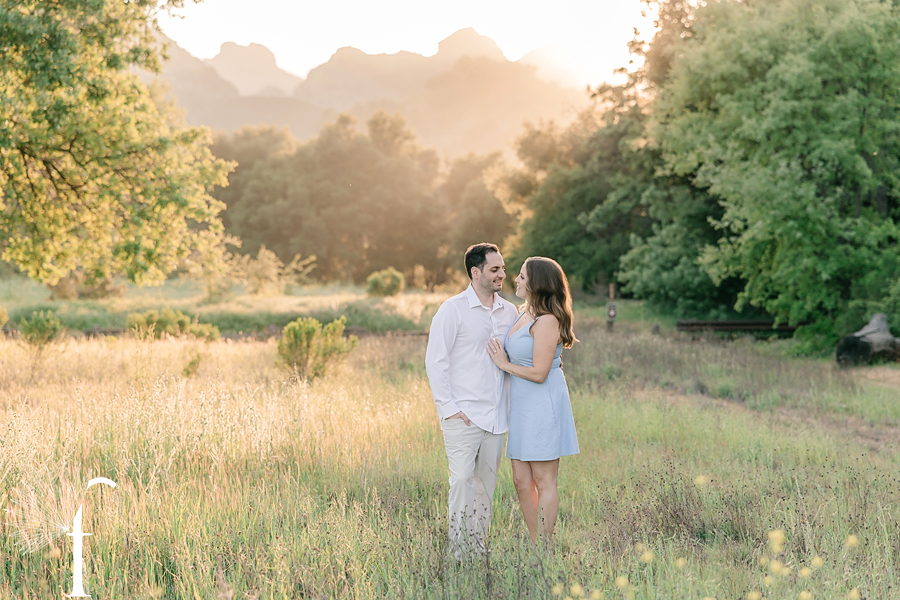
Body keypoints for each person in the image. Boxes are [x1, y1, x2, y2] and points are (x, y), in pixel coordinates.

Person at [425, 243, 519, 559]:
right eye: (495, 269)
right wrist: (449, 409)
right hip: (462, 415)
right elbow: (435, 361)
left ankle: (477, 548)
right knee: (462, 480)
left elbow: (517, 353)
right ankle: (459, 551)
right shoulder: (452, 310)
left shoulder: (509, 311)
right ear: (475, 272)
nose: (502, 275)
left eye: (503, 269)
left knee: (486, 487)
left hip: (496, 415)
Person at [486, 256, 579, 545]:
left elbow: (539, 373)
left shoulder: (548, 320)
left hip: (543, 402)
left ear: (537, 283)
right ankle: (535, 541)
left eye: (523, 277)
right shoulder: (522, 313)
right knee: (520, 480)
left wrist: (504, 364)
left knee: (543, 479)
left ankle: (544, 549)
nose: (516, 279)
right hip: (523, 406)